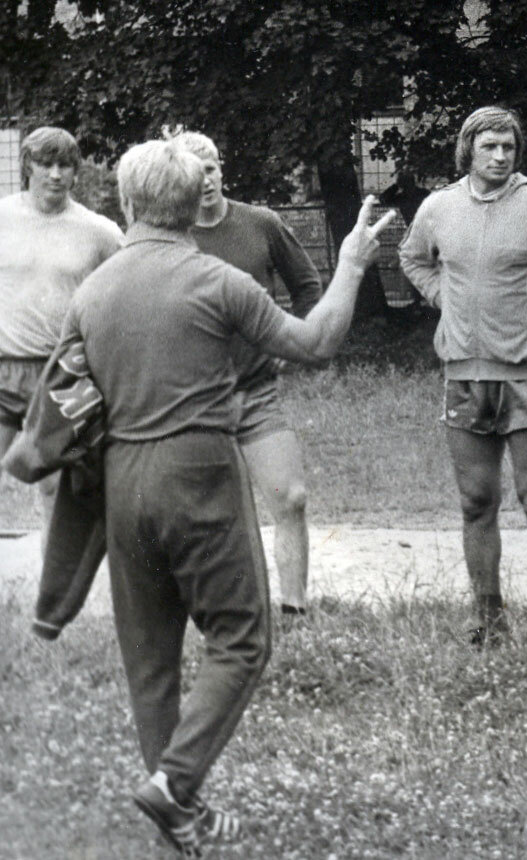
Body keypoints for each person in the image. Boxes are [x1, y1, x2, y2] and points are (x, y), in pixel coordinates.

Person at [59, 138, 392, 855]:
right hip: (198, 472)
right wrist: (357, 262)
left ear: (128, 202)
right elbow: (318, 339)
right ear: (192, 202)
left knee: (150, 662)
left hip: (121, 478)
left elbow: (61, 399)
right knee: (241, 638)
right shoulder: (218, 280)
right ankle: (175, 783)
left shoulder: (93, 289)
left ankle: (179, 817)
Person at [399, 107, 527, 644]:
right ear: (467, 150)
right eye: (489, 147)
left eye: (508, 147)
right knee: (476, 502)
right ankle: (487, 620)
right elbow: (412, 258)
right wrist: (440, 296)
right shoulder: (438, 207)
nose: (499, 156)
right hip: (464, 375)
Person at [170, 130, 323, 616]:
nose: (206, 179)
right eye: (194, 173)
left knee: (290, 497)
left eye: (211, 167)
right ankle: (213, 610)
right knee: (204, 513)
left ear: (221, 168)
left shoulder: (261, 223)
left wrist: (288, 344)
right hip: (193, 397)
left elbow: (307, 286)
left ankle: (294, 609)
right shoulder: (170, 235)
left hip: (256, 392)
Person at [0, 127, 123, 542]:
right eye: (45, 164)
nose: (55, 174)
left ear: (75, 172)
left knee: (54, 485)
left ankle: (53, 589)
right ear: (27, 166)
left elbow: (124, 290)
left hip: (61, 373)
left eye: (64, 165)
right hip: (3, 367)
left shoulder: (99, 231)